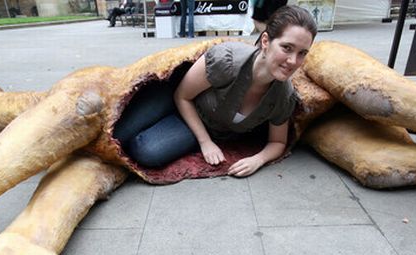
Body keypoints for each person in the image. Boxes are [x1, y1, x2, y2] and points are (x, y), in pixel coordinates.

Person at [114, 5, 318, 177]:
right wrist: (205, 143)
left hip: (199, 124)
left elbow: (278, 141)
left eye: (302, 53)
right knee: (119, 133)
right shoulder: (227, 59)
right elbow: (182, 96)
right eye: (287, 48)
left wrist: (257, 160)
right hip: (175, 97)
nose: (293, 61)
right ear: (266, 41)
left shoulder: (283, 95)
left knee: (146, 151)